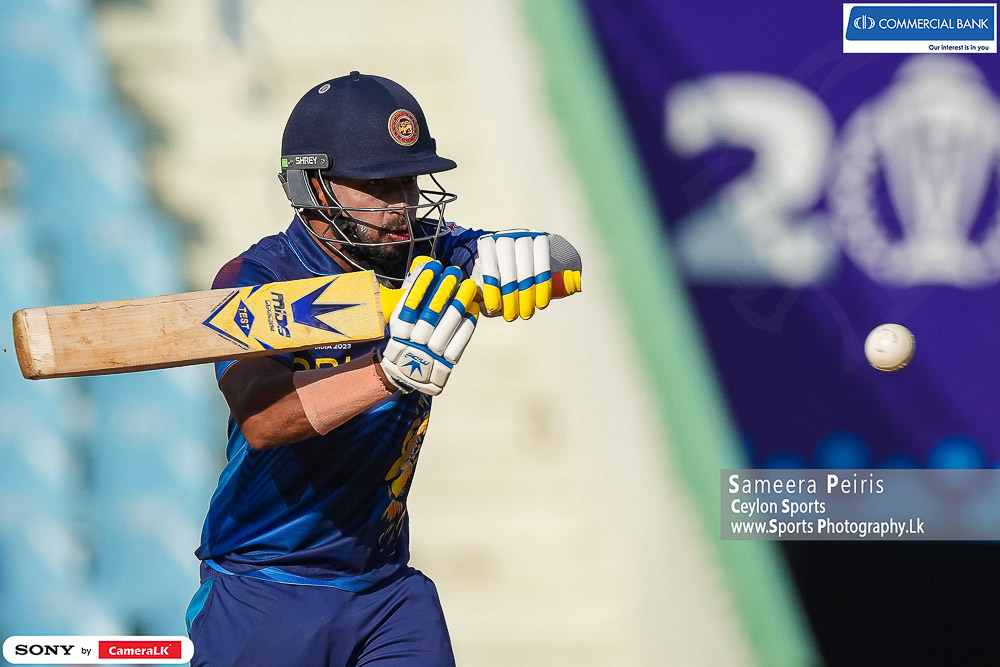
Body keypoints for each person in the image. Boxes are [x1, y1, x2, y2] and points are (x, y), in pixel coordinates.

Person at [185, 72, 581, 667]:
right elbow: (262, 420)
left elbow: (564, 260)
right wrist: (386, 375)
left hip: (385, 588)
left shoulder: (429, 249)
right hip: (264, 587)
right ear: (312, 185)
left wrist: (527, 260)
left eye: (408, 182)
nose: (401, 205)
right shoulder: (257, 277)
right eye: (377, 185)